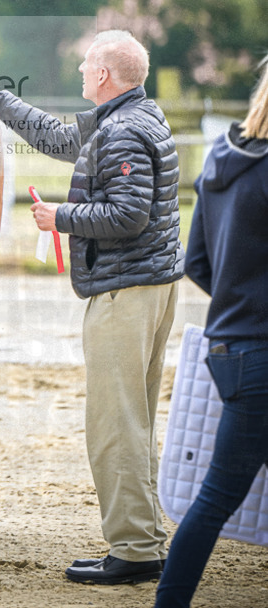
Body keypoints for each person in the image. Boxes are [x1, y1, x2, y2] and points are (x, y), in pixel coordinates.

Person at [0, 30, 185, 584]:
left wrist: (62, 218)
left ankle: (133, 550)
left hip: (126, 291)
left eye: (86, 63)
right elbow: (56, 138)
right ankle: (141, 540)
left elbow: (128, 214)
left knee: (114, 424)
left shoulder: (123, 130)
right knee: (135, 419)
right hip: (150, 286)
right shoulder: (132, 115)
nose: (80, 68)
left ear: (104, 75)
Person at [154, 57, 268, 608]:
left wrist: (240, 297)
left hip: (228, 348)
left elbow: (196, 260)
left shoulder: (224, 160)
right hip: (263, 355)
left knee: (214, 498)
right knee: (218, 498)